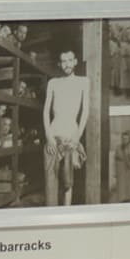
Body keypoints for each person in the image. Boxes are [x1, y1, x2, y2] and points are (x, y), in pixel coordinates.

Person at [43, 50, 90, 206]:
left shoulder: (83, 81)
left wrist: (77, 139)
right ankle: (51, 217)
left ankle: (66, 213)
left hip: (71, 136)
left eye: (70, 60)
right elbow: (45, 111)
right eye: (63, 61)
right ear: (59, 64)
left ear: (75, 61)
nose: (67, 64)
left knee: (67, 182)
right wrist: (49, 138)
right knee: (51, 181)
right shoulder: (53, 83)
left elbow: (85, 112)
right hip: (53, 135)